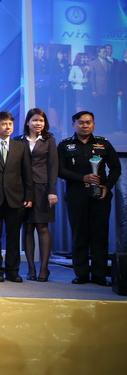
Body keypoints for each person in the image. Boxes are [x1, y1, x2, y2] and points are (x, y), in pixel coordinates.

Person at [58, 111, 122, 286]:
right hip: (76, 195)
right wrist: (82, 178)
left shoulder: (103, 143)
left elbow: (116, 168)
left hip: (100, 195)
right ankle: (81, 274)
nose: (85, 126)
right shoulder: (65, 145)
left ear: (93, 124)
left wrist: (107, 186)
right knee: (79, 235)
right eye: (81, 122)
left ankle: (99, 275)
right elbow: (60, 170)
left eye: (88, 122)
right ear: (73, 125)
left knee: (99, 235)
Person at [0, 111, 34, 282]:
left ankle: (13, 271)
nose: (8, 127)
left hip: (16, 198)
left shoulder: (21, 147)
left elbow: (27, 173)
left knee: (14, 237)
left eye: (10, 124)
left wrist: (29, 196)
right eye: (4, 124)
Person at [15, 108, 58, 282]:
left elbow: (53, 167)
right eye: (34, 120)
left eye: (41, 120)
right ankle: (31, 269)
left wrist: (52, 191)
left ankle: (44, 269)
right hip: (23, 188)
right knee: (27, 227)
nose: (38, 123)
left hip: (42, 188)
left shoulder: (49, 141)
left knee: (42, 227)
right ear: (27, 122)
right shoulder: (19, 140)